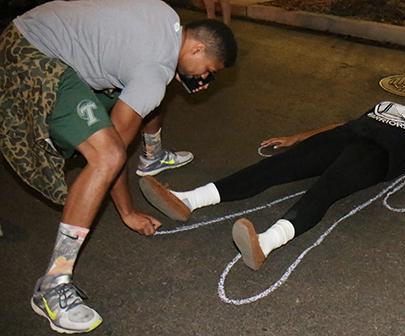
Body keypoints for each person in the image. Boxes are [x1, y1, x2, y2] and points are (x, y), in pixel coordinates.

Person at [0, 0, 237, 333]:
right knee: (107, 154)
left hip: (30, 27)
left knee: (128, 103)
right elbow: (114, 154)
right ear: (197, 48)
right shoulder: (154, 71)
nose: (205, 77)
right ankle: (52, 285)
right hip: (35, 54)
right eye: (208, 69)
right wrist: (127, 212)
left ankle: (138, 153)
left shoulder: (165, 17)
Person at [140, 101, 405, 271]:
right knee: (276, 166)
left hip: (377, 154)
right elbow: (342, 126)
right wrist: (297, 137)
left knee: (326, 188)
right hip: (346, 137)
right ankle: (189, 200)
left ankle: (267, 242)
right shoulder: (385, 106)